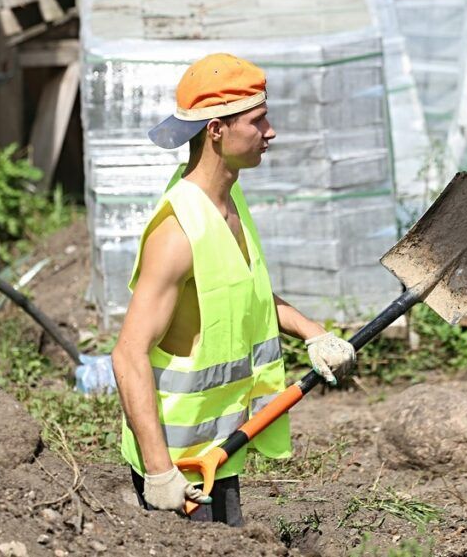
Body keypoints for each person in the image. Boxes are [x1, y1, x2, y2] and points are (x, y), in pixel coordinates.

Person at [111, 53, 356, 526]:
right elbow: (128, 354)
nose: (271, 131)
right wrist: (160, 473)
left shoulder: (229, 199)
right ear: (216, 130)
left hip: (221, 448)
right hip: (178, 465)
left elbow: (248, 294)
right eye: (257, 120)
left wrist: (312, 332)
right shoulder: (178, 232)